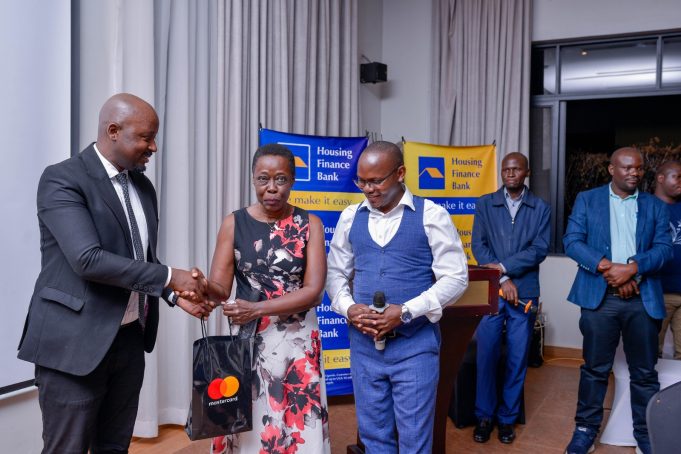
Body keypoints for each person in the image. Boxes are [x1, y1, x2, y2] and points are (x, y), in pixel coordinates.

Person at [17, 93, 211, 454]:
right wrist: (170, 277)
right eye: (146, 137)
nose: (153, 147)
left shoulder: (142, 186)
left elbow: (140, 257)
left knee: (114, 447)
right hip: (74, 345)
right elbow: (87, 260)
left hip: (128, 341)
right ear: (113, 131)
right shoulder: (63, 179)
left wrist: (173, 294)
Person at [326, 141, 469, 453]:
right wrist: (349, 308)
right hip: (364, 349)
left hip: (414, 348)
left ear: (400, 173)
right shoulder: (350, 217)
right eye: (362, 181)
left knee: (415, 439)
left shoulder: (432, 215)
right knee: (374, 437)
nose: (368, 189)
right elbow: (335, 274)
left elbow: (456, 277)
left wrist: (406, 311)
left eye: (376, 181)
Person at [207, 144, 330, 454]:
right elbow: (220, 288)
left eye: (281, 179)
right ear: (253, 179)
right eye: (263, 179)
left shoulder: (310, 224)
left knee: (297, 417)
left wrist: (257, 309)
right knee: (250, 416)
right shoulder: (234, 223)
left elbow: (314, 291)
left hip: (297, 340)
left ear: (293, 181)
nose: (272, 188)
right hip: (249, 338)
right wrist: (198, 287)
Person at [563, 147, 672, 454]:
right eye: (627, 168)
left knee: (644, 373)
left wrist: (633, 269)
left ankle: (646, 434)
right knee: (595, 369)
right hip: (600, 300)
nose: (634, 173)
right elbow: (572, 241)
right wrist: (609, 268)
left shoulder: (655, 206)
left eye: (638, 168)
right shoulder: (588, 199)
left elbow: (664, 249)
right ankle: (585, 430)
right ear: (612, 169)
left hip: (642, 300)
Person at [471, 152, 550, 444]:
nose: (510, 174)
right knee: (486, 355)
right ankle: (484, 416)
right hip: (492, 291)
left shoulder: (540, 208)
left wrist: (503, 268)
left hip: (525, 292)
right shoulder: (485, 204)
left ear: (527, 172)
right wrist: (502, 280)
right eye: (506, 169)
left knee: (517, 358)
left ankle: (507, 419)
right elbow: (478, 245)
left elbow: (539, 249)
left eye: (516, 169)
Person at [654, 160, 681, 359]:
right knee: (651, 350)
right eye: (677, 177)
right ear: (661, 178)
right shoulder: (645, 207)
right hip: (658, 293)